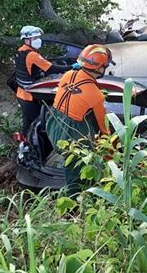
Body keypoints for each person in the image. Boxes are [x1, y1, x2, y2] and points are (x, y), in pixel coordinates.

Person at [46, 44, 115, 193]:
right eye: (106, 65)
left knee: (69, 159)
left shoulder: (67, 75)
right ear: (100, 68)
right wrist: (111, 156)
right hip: (71, 135)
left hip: (54, 125)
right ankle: (74, 202)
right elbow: (104, 129)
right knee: (75, 171)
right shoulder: (96, 95)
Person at [15, 26, 70, 136]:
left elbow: (29, 69)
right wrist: (72, 66)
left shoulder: (20, 51)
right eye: (35, 38)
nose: (38, 40)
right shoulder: (32, 55)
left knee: (27, 122)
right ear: (27, 40)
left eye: (38, 38)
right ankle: (39, 145)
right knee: (39, 122)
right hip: (29, 96)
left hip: (21, 93)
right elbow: (51, 69)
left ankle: (24, 145)